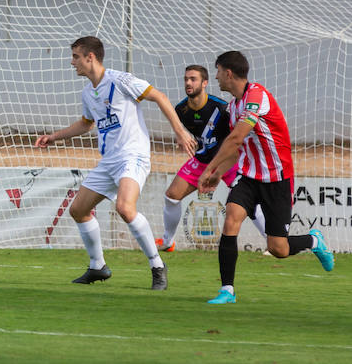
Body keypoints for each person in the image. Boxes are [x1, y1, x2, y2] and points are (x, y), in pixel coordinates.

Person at [33, 36, 196, 290]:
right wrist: (54, 137)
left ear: (91, 57)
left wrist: (180, 131)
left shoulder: (122, 81)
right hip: (109, 161)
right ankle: (98, 266)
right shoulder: (88, 92)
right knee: (78, 210)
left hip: (133, 156)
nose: (71, 62)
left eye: (76, 56)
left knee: (125, 207)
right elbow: (86, 124)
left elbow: (160, 97)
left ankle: (157, 265)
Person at [197, 51, 335, 304]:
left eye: (217, 71)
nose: (215, 77)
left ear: (228, 73)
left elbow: (236, 138)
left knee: (277, 248)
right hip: (249, 176)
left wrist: (209, 168)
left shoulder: (256, 97)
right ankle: (227, 290)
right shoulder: (233, 106)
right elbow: (237, 148)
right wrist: (217, 173)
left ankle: (314, 240)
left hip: (277, 180)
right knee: (231, 220)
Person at [155, 65, 264, 252]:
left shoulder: (221, 108)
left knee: (250, 203)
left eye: (193, 79)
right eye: (186, 79)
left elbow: (237, 137)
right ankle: (168, 242)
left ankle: (273, 240)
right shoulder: (180, 110)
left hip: (227, 161)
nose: (188, 83)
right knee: (172, 196)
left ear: (205, 83)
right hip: (202, 159)